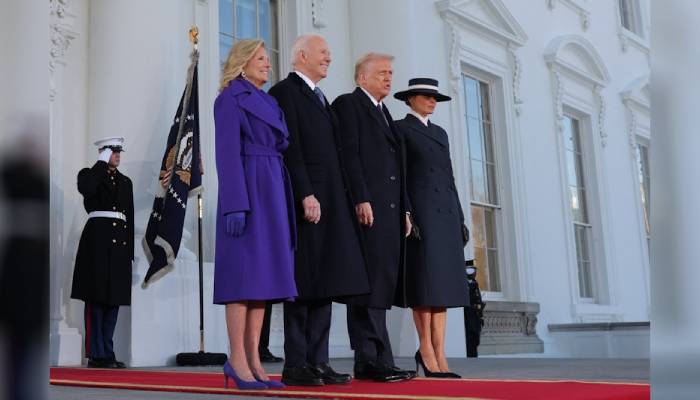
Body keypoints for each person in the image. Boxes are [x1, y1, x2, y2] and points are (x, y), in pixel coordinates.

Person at [269, 34, 370, 386]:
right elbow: (290, 147)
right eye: (323, 52)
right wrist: (305, 193)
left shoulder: (321, 97)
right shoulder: (284, 92)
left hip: (333, 201)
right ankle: (296, 363)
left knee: (326, 282)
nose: (329, 57)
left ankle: (319, 361)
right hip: (307, 201)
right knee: (304, 281)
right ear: (301, 55)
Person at [213, 39, 297, 390]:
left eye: (268, 59)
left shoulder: (270, 101)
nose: (268, 64)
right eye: (261, 59)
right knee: (241, 279)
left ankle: (254, 361)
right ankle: (237, 360)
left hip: (273, 186)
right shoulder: (229, 99)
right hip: (247, 188)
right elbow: (227, 154)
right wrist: (235, 203)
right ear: (243, 63)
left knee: (262, 281)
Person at [332, 53, 415, 383]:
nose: (388, 78)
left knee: (381, 285)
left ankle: (383, 357)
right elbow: (348, 155)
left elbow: (399, 169)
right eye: (381, 72)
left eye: (391, 72)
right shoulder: (348, 105)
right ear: (361, 77)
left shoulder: (385, 113)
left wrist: (406, 209)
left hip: (392, 213)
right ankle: (368, 359)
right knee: (366, 287)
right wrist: (360, 198)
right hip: (367, 211)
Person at [394, 78, 470, 378]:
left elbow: (449, 178)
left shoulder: (440, 133)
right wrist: (408, 212)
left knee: (443, 288)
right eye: (426, 96)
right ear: (411, 99)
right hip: (422, 213)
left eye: (435, 97)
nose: (432, 101)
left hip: (447, 216)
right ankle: (425, 349)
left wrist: (461, 218)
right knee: (424, 285)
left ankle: (440, 352)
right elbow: (400, 176)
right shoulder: (401, 129)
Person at [70, 137, 133, 369]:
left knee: (113, 301)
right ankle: (97, 354)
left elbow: (130, 216)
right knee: (97, 300)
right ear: (102, 153)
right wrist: (100, 162)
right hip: (96, 244)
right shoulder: (89, 174)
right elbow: (86, 189)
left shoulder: (126, 182)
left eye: (118, 151)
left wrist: (130, 255)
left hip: (118, 249)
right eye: (112, 151)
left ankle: (108, 351)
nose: (117, 155)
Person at [465, 261, 485, 358]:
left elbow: (478, 298)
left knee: (476, 338)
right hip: (468, 314)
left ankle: (474, 355)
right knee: (470, 337)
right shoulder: (465, 284)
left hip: (475, 314)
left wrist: (480, 313)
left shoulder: (474, 283)